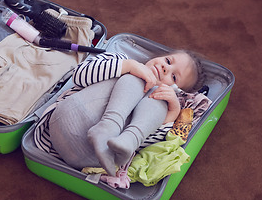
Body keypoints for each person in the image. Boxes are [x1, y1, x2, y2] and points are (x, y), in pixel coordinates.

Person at [37, 50, 205, 176]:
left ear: (177, 90)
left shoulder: (160, 105)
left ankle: (125, 135)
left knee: (157, 101)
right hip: (66, 120)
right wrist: (128, 67)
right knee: (139, 79)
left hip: (96, 158)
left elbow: (146, 147)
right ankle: (108, 126)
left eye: (174, 77)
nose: (165, 69)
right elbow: (80, 75)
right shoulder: (120, 60)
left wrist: (171, 112)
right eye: (168, 61)